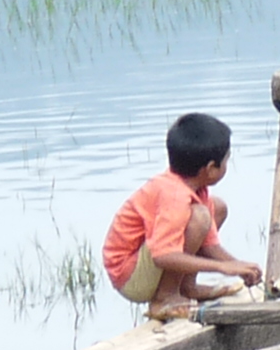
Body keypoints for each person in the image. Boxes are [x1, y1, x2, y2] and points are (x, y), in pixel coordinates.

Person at [102, 113, 261, 322]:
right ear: (210, 169)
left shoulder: (195, 186)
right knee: (200, 217)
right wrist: (221, 267)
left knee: (217, 208)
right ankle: (165, 298)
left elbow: (209, 245)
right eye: (226, 160)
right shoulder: (174, 195)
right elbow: (163, 256)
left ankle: (186, 287)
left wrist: (239, 267)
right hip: (130, 277)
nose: (226, 166)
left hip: (148, 261)